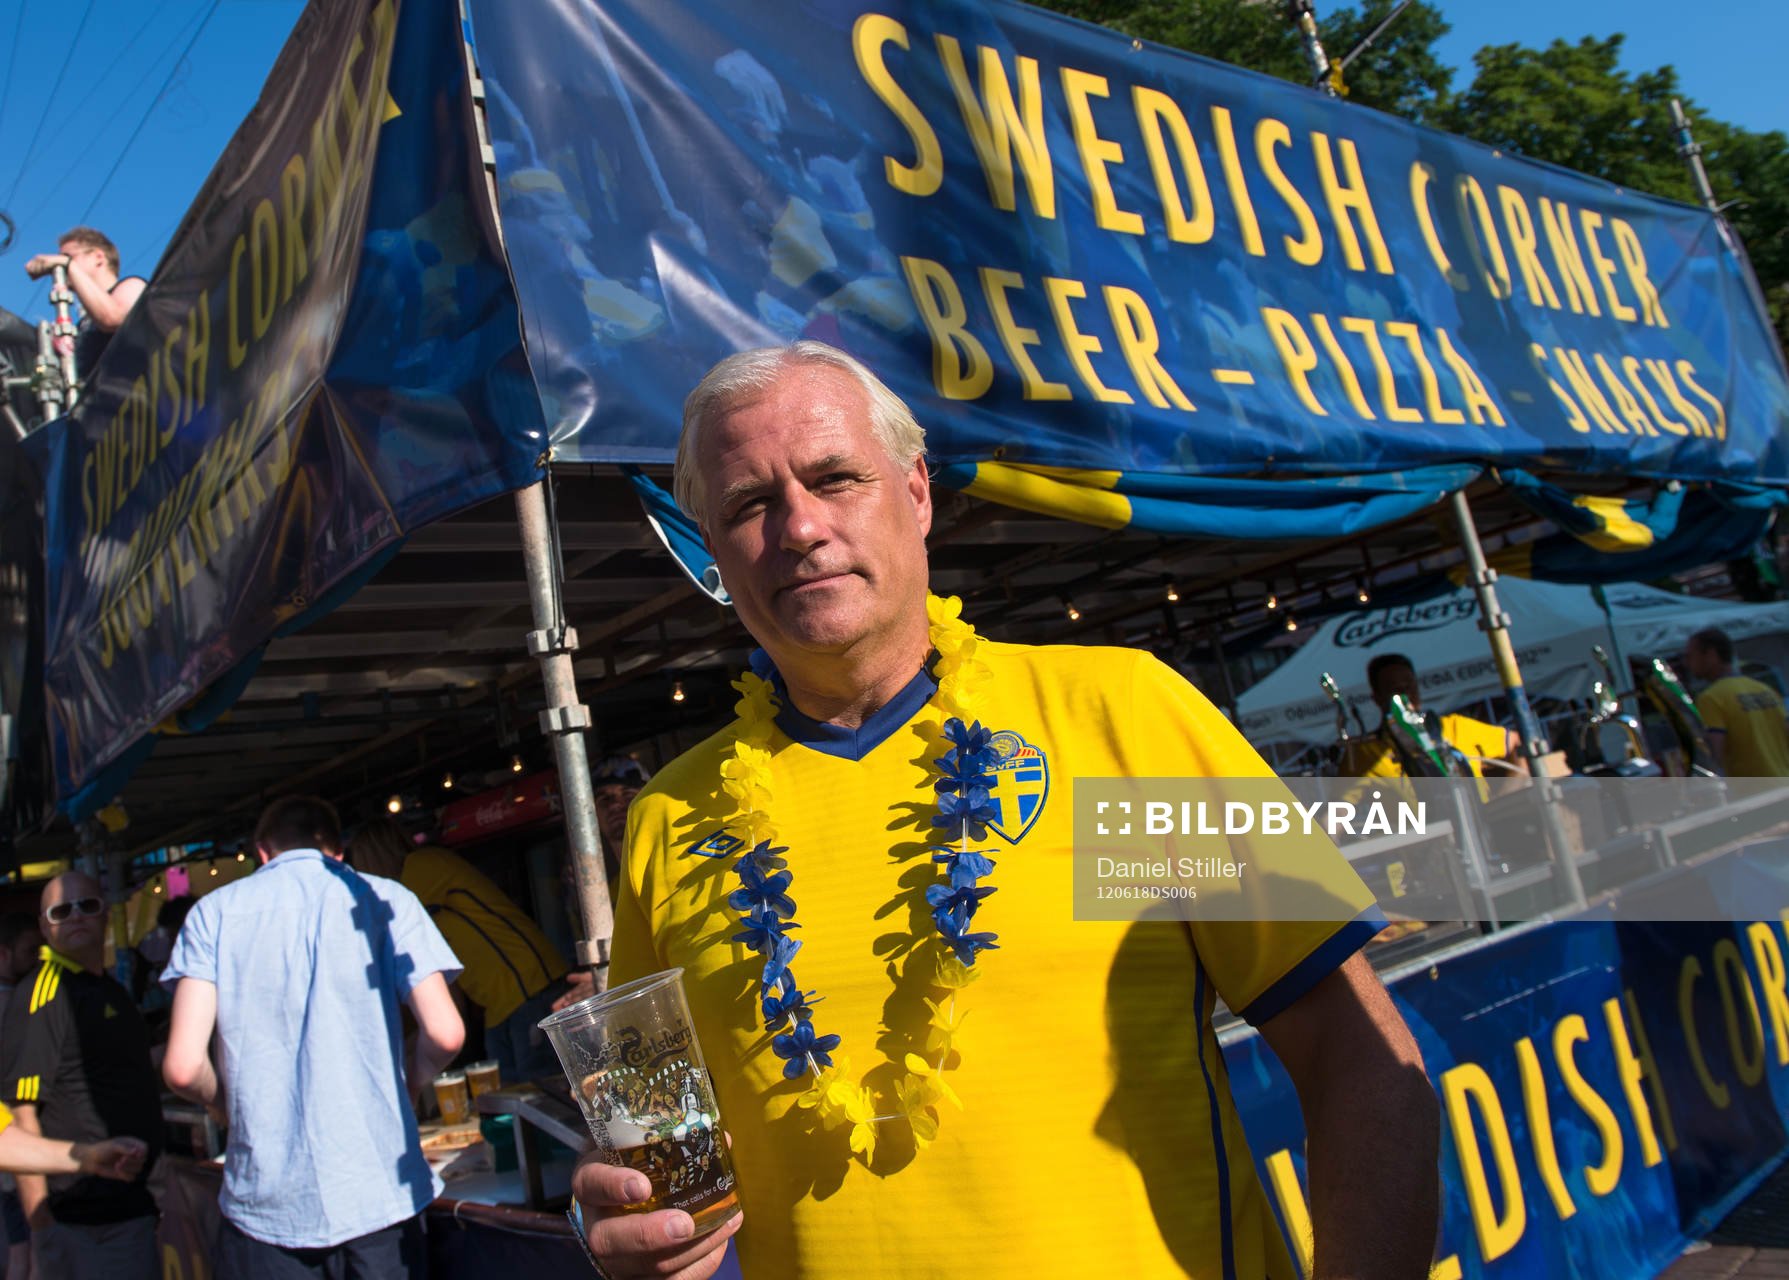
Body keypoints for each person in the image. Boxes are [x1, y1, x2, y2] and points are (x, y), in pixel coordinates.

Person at [571, 342, 1440, 1278]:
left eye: (835, 478)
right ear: (712, 545)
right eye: (748, 503)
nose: (800, 527)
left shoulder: (1121, 722)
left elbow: (1357, 1061)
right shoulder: (669, 819)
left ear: (915, 493)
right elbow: (651, 1157)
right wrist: (625, 1235)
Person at [162, 796, 465, 1280]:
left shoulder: (212, 914)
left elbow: (182, 1066)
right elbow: (445, 1033)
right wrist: (405, 1086)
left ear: (262, 852)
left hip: (263, 1205)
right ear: (338, 851)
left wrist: (224, 1104)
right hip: (380, 1193)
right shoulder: (386, 899)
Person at [0, 874, 162, 1280]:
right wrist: (43, 1229)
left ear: (106, 912)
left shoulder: (112, 991)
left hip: (128, 1205)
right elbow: (21, 1115)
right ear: (44, 927)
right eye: (61, 911)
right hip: (81, 1223)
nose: (75, 917)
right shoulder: (43, 992)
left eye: (86, 906)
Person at [346, 817, 567, 1081]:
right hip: (500, 1003)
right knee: (510, 1100)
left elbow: (380, 930)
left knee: (541, 1092)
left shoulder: (420, 867)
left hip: (530, 986)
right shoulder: (420, 887)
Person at [551, 755, 653, 1013]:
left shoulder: (664, 866)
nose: (616, 805)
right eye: (604, 799)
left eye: (627, 794)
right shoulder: (605, 893)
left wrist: (609, 980)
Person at [1341, 652, 1520, 782]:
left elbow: (1518, 743)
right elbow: (1336, 812)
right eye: (1395, 689)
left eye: (1410, 686)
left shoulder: (1454, 726)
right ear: (1378, 698)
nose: (1406, 694)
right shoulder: (1365, 753)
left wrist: (1507, 797)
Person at [23, 229, 146, 381]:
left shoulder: (132, 285)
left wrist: (69, 265)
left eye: (68, 256)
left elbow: (114, 318)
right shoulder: (83, 325)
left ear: (98, 257)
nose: (59, 266)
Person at [0, 910, 42, 1276]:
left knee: (19, 1247)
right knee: (37, 1248)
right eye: (30, 951)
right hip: (21, 1150)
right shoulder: (17, 1006)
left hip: (14, 1151)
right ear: (4, 954)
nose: (37, 960)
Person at [1685, 627, 1789, 776]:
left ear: (1711, 654)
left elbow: (1713, 758)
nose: (1688, 663)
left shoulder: (1712, 698)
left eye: (1690, 656)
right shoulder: (1766, 690)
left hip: (1755, 792)